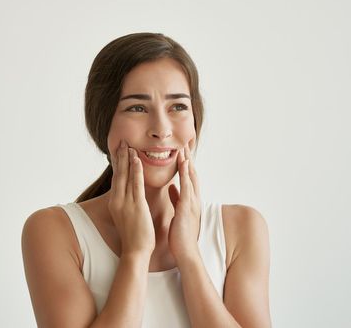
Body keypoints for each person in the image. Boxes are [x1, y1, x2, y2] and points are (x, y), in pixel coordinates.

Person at [21, 32, 271, 328]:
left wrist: (189, 255)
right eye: (137, 108)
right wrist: (136, 253)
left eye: (178, 106)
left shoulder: (242, 228)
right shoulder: (55, 232)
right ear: (103, 121)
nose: (161, 130)